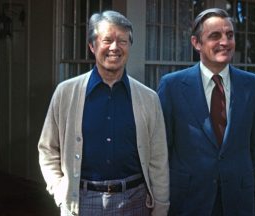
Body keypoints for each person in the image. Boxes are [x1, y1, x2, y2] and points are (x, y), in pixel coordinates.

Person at [38, 10, 169, 216]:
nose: (115, 47)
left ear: (129, 46)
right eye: (107, 40)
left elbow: (158, 160)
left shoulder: (149, 98)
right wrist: (59, 189)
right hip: (81, 203)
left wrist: (161, 206)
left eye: (122, 41)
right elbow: (47, 149)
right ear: (92, 46)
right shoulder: (66, 92)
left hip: (135, 201)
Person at [157, 8, 255, 216]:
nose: (225, 42)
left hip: (237, 199)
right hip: (189, 200)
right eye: (215, 36)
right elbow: (163, 147)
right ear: (196, 43)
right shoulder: (172, 86)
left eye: (230, 35)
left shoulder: (253, 85)